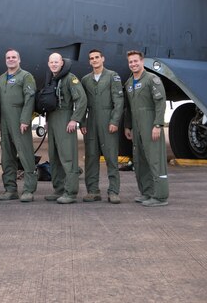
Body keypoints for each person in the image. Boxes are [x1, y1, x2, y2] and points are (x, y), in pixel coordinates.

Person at [124, 50, 169, 207]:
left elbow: (160, 103)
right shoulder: (129, 83)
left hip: (150, 124)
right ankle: (147, 192)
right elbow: (128, 108)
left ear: (142, 61)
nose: (133, 64)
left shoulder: (152, 79)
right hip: (136, 127)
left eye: (136, 61)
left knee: (155, 159)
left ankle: (161, 196)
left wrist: (158, 124)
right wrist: (128, 126)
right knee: (140, 159)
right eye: (130, 62)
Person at [80, 49, 125, 204]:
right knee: (91, 157)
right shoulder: (85, 80)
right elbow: (81, 103)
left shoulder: (113, 76)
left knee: (111, 157)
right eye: (91, 58)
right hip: (91, 120)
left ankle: (113, 191)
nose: (94, 60)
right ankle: (93, 191)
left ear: (103, 59)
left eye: (97, 57)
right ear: (89, 61)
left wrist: (114, 121)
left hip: (107, 120)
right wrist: (82, 122)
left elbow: (118, 101)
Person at [43, 53, 87, 204]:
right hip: (53, 119)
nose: (54, 64)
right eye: (51, 62)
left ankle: (71, 191)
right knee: (54, 157)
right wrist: (47, 121)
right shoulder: (51, 79)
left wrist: (75, 119)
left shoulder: (70, 78)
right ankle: (59, 189)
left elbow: (81, 99)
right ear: (48, 64)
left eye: (57, 62)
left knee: (68, 157)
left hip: (66, 118)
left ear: (62, 63)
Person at [0, 49, 38, 202]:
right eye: (8, 57)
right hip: (5, 121)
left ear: (19, 60)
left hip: (19, 118)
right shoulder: (1, 79)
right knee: (7, 156)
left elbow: (30, 98)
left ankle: (28, 189)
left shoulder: (26, 77)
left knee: (26, 154)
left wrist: (25, 119)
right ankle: (10, 189)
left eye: (14, 57)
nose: (11, 59)